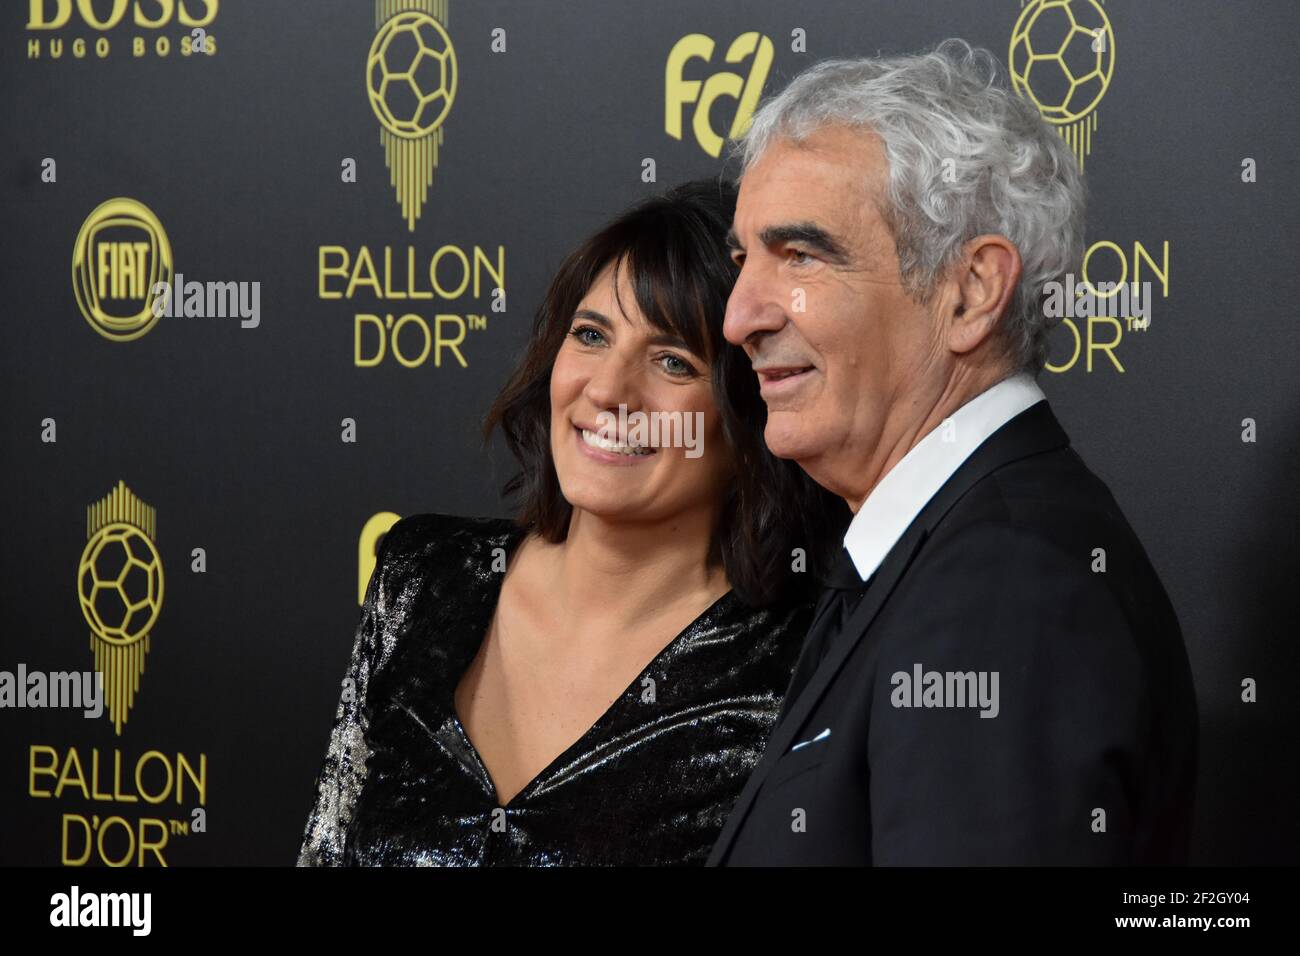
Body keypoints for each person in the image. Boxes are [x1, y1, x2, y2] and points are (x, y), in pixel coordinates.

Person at [709, 39, 1198, 865]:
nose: (738, 316)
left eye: (799, 256)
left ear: (969, 293)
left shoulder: (1006, 592)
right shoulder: (942, 556)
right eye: (742, 258)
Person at [295, 178, 846, 866]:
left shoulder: (797, 669)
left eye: (673, 361)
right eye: (590, 335)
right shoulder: (420, 575)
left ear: (748, 413)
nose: (609, 390)